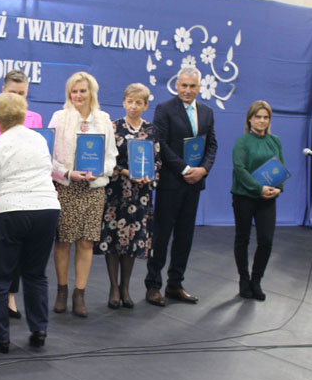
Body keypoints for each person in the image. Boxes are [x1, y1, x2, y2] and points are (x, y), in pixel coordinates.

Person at [0, 93, 60, 353]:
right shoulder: (39, 140)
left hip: (10, 212)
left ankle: (1, 338)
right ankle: (39, 329)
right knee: (36, 274)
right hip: (46, 210)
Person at [145, 66, 217, 307]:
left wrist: (203, 169)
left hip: (195, 184)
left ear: (199, 87)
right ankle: (153, 285)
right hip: (171, 182)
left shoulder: (207, 112)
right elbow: (160, 144)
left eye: (192, 86)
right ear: (176, 85)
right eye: (184, 85)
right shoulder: (164, 109)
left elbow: (212, 145)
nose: (187, 90)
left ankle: (175, 284)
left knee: (185, 236)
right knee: (161, 236)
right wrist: (185, 169)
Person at [49, 71, 117, 317]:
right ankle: (62, 291)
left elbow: (111, 156)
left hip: (93, 189)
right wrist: (68, 173)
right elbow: (48, 155)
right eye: (74, 91)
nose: (78, 95)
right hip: (66, 187)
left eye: (83, 91)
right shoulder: (59, 117)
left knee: (86, 242)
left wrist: (98, 172)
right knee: (63, 241)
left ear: (92, 93)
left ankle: (80, 294)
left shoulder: (104, 119)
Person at [0, 70, 43, 320]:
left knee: (18, 250)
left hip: (24, 196)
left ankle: (11, 296)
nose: (16, 98)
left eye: (22, 93)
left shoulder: (35, 118)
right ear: (3, 91)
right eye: (12, 92)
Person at [95, 83, 161, 309]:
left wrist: (148, 176)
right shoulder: (113, 128)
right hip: (116, 193)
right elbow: (106, 160)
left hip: (140, 195)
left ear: (146, 105)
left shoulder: (151, 130)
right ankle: (113, 287)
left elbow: (157, 160)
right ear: (124, 102)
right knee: (114, 239)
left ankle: (125, 287)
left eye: (138, 102)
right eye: (130, 101)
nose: (133, 106)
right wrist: (125, 172)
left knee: (132, 239)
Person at [231, 100, 283, 301]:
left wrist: (278, 188)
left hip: (268, 199)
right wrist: (258, 188)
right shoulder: (242, 141)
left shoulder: (275, 141)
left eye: (266, 117)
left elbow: (280, 167)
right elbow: (240, 169)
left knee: (266, 241)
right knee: (242, 238)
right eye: (258, 117)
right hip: (244, 197)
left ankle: (256, 280)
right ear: (250, 119)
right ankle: (244, 280)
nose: (262, 121)